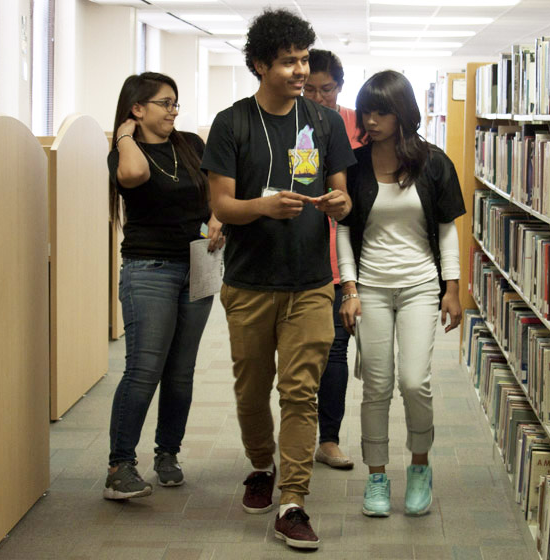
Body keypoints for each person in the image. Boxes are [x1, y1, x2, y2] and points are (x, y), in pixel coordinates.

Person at [201, 8, 355, 550]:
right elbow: (221, 203)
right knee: (250, 391)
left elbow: (342, 195)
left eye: (303, 59)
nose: (299, 69)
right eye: (288, 61)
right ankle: (261, 466)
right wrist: (263, 207)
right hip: (248, 283)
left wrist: (339, 202)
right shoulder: (232, 123)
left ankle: (293, 499)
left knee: (301, 392)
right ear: (260, 64)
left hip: (311, 282)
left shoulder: (325, 121)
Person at [337, 70, 465, 518]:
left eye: (381, 112)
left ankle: (419, 467)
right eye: (366, 110)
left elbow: (447, 231)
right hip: (370, 287)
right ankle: (376, 477)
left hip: (418, 286)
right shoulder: (352, 165)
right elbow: (344, 232)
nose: (370, 120)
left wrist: (452, 287)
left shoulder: (434, 163)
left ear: (402, 114)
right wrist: (348, 288)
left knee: (414, 382)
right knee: (376, 386)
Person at [104, 72, 225, 500]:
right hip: (149, 268)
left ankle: (167, 454)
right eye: (165, 103)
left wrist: (217, 217)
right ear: (138, 108)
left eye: (176, 103)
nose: (174, 111)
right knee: (144, 369)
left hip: (199, 265)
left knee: (181, 372)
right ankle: (120, 465)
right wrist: (123, 134)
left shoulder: (190, 144)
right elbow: (134, 175)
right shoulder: (125, 153)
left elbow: (215, 192)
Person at [303, 49, 363, 470]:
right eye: (310, 88)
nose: (318, 97)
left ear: (339, 88)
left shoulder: (360, 125)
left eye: (326, 89)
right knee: (301, 355)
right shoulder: (290, 123)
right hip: (301, 254)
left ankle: (329, 438)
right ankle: (298, 435)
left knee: (337, 350)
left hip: (345, 254)